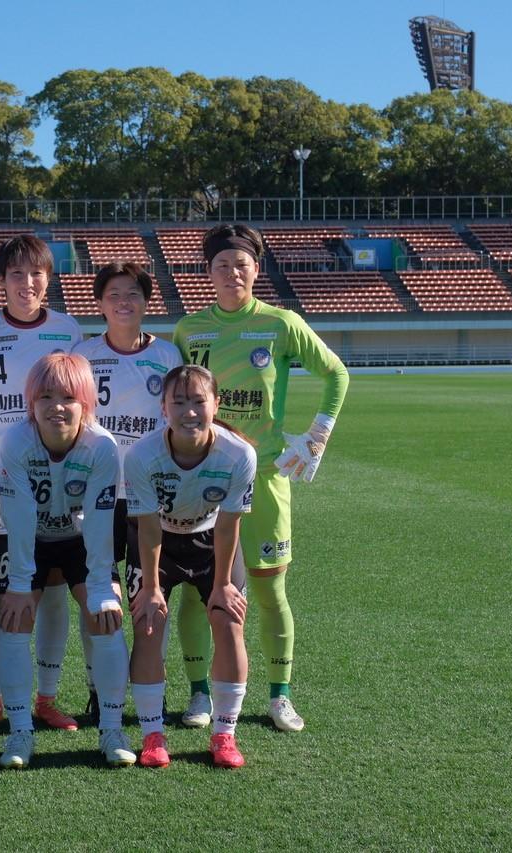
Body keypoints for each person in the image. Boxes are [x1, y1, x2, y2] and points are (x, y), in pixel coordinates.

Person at [173, 223, 349, 732]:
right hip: (201, 481)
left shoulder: (281, 323)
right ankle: (199, 692)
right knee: (197, 592)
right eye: (222, 265)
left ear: (256, 269)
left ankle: (280, 695)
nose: (232, 273)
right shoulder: (189, 331)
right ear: (208, 272)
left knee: (270, 592)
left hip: (266, 478)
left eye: (241, 264)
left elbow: (336, 373)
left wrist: (317, 434)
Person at [0, 235, 83, 736]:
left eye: (36, 273)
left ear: (48, 279)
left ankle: (47, 698)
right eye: (16, 273)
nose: (27, 283)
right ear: (1, 280)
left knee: (52, 588)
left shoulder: (67, 329)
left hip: (53, 476)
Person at [0, 352, 133, 769]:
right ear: (31, 402)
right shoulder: (15, 442)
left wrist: (101, 587)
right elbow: (19, 519)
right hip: (28, 539)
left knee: (105, 617)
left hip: (80, 540)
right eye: (46, 397)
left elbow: (100, 523)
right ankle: (20, 732)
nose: (56, 406)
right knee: (14, 617)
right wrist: (19, 585)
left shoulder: (102, 447)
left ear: (86, 402)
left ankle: (112, 728)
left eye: (68, 397)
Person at [71, 261, 190, 724]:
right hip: (96, 494)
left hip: (147, 497)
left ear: (147, 301)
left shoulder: (167, 355)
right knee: (98, 595)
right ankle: (98, 689)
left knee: (146, 597)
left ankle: (149, 688)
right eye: (114, 294)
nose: (124, 302)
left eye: (133, 294)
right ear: (100, 304)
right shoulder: (83, 355)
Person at [125, 364, 256, 769]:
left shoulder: (239, 454)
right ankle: (152, 735)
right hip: (157, 542)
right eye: (178, 402)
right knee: (148, 624)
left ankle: (224, 734)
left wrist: (223, 585)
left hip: (212, 540)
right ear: (163, 408)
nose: (189, 412)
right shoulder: (142, 455)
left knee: (229, 621)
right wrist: (150, 588)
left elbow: (229, 525)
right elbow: (148, 528)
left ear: (216, 404)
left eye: (199, 401)